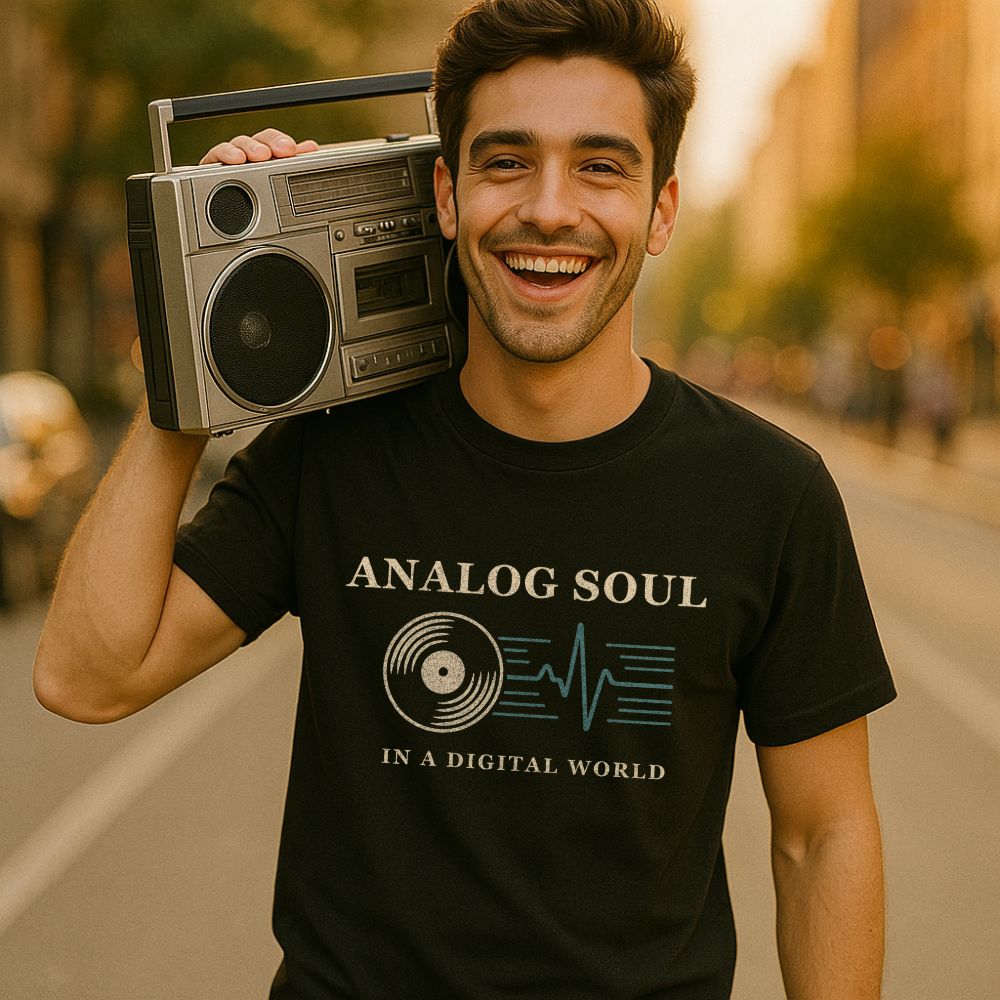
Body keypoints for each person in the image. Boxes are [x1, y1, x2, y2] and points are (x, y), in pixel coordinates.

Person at [33, 1, 896, 997]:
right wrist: (191, 348)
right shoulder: (332, 456)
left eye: (600, 166)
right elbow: (86, 678)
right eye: (506, 161)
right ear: (447, 194)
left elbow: (822, 835)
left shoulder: (768, 493)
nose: (549, 208)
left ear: (661, 212)